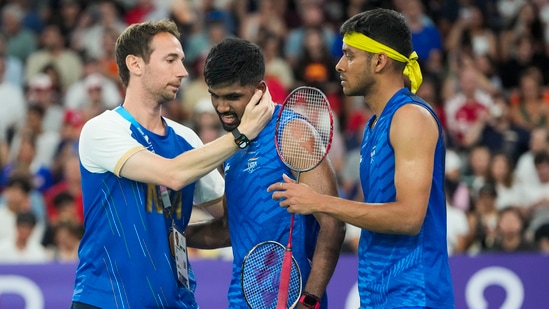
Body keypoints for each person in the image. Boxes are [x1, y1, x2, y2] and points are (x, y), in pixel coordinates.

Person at [71, 19, 274, 309]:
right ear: (135, 64)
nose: (182, 71)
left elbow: (235, 221)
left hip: (176, 302)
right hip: (106, 301)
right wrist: (242, 136)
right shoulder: (102, 129)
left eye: (181, 60)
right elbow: (173, 174)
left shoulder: (186, 138)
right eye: (170, 60)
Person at [268, 8, 454, 308]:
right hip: (377, 290)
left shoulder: (410, 117)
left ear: (379, 61)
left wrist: (318, 202)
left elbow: (409, 217)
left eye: (349, 55)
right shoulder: (374, 125)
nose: (339, 65)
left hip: (415, 293)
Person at [185, 37, 345, 308]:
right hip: (240, 300)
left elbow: (333, 223)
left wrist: (310, 299)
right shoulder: (235, 144)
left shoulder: (292, 132)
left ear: (260, 88)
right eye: (215, 95)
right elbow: (228, 230)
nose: (222, 107)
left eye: (232, 97)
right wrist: (175, 232)